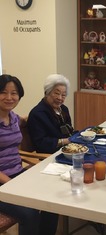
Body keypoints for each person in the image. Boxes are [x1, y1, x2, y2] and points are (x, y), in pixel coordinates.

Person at [0, 74, 41, 235]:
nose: (9, 97)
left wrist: (34, 116)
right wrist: (11, 183)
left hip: (17, 175)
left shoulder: (13, 117)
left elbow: (23, 120)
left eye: (14, 93)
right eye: (3, 92)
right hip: (4, 182)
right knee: (29, 213)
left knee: (51, 202)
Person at [27, 74, 74, 154]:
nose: (60, 98)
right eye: (56, 93)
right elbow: (40, 143)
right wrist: (65, 141)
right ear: (47, 93)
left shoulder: (64, 109)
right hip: (50, 155)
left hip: (68, 150)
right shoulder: (37, 114)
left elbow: (69, 131)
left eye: (63, 95)